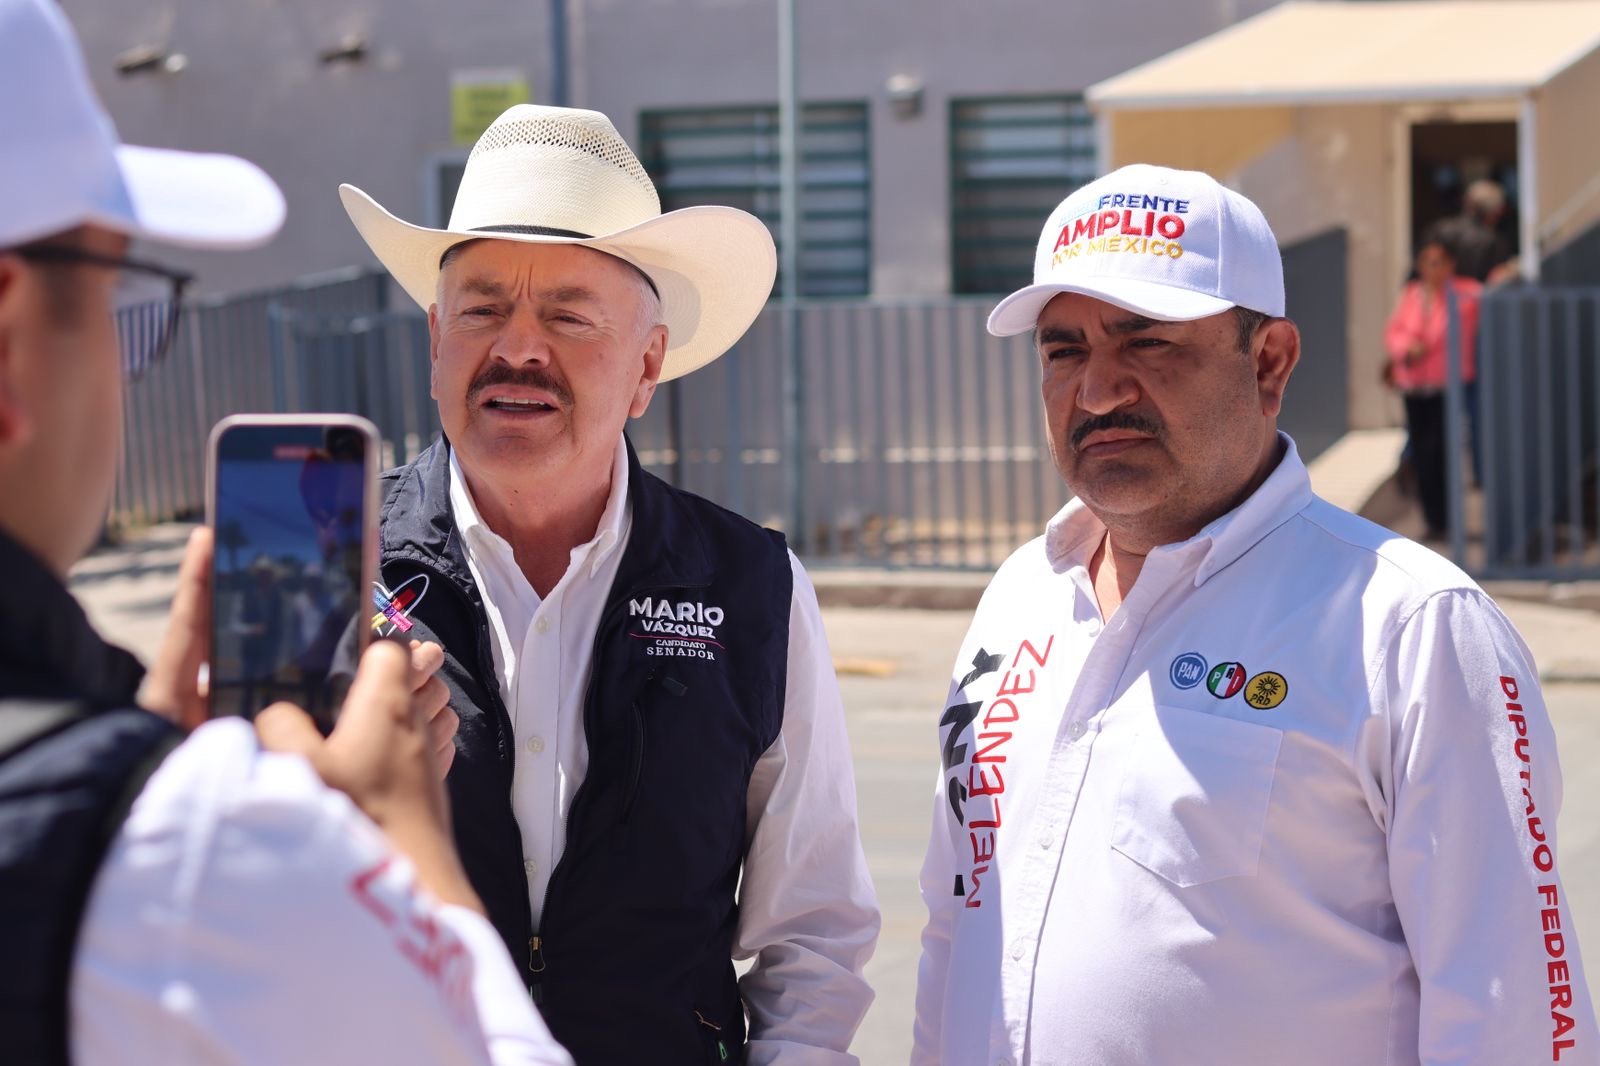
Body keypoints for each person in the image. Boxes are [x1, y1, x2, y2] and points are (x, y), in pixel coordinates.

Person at [913, 163, 1596, 1065]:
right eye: (1063, 351)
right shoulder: (1021, 594)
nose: (1098, 390)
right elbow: (955, 921)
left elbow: (1514, 1018)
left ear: (1269, 361)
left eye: (1147, 342)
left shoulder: (1411, 624)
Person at [0, 1, 571, 1062]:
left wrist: (133, 759)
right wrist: (404, 849)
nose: (522, 350)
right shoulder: (196, 861)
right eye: (122, 297)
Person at [337, 103, 880, 1064]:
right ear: (435, 343)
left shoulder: (751, 588)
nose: (519, 349)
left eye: (568, 316)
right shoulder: (332, 571)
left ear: (646, 366)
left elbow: (813, 934)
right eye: (482, 310)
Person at [1383, 237, 1483, 539]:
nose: (1432, 268)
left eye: (1439, 262)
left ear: (1451, 265)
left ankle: (1449, 519)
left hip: (1446, 385)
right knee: (1423, 453)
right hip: (1414, 384)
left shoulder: (1465, 292)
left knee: (1446, 452)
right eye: (1427, 261)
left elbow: (1491, 295)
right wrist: (1407, 348)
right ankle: (1432, 519)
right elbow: (1394, 331)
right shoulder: (1412, 294)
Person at [1428, 177, 1517, 286]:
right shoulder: (1494, 241)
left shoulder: (1440, 229)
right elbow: (1497, 281)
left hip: (1443, 293)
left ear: (1468, 203)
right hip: (1477, 294)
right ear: (1497, 212)